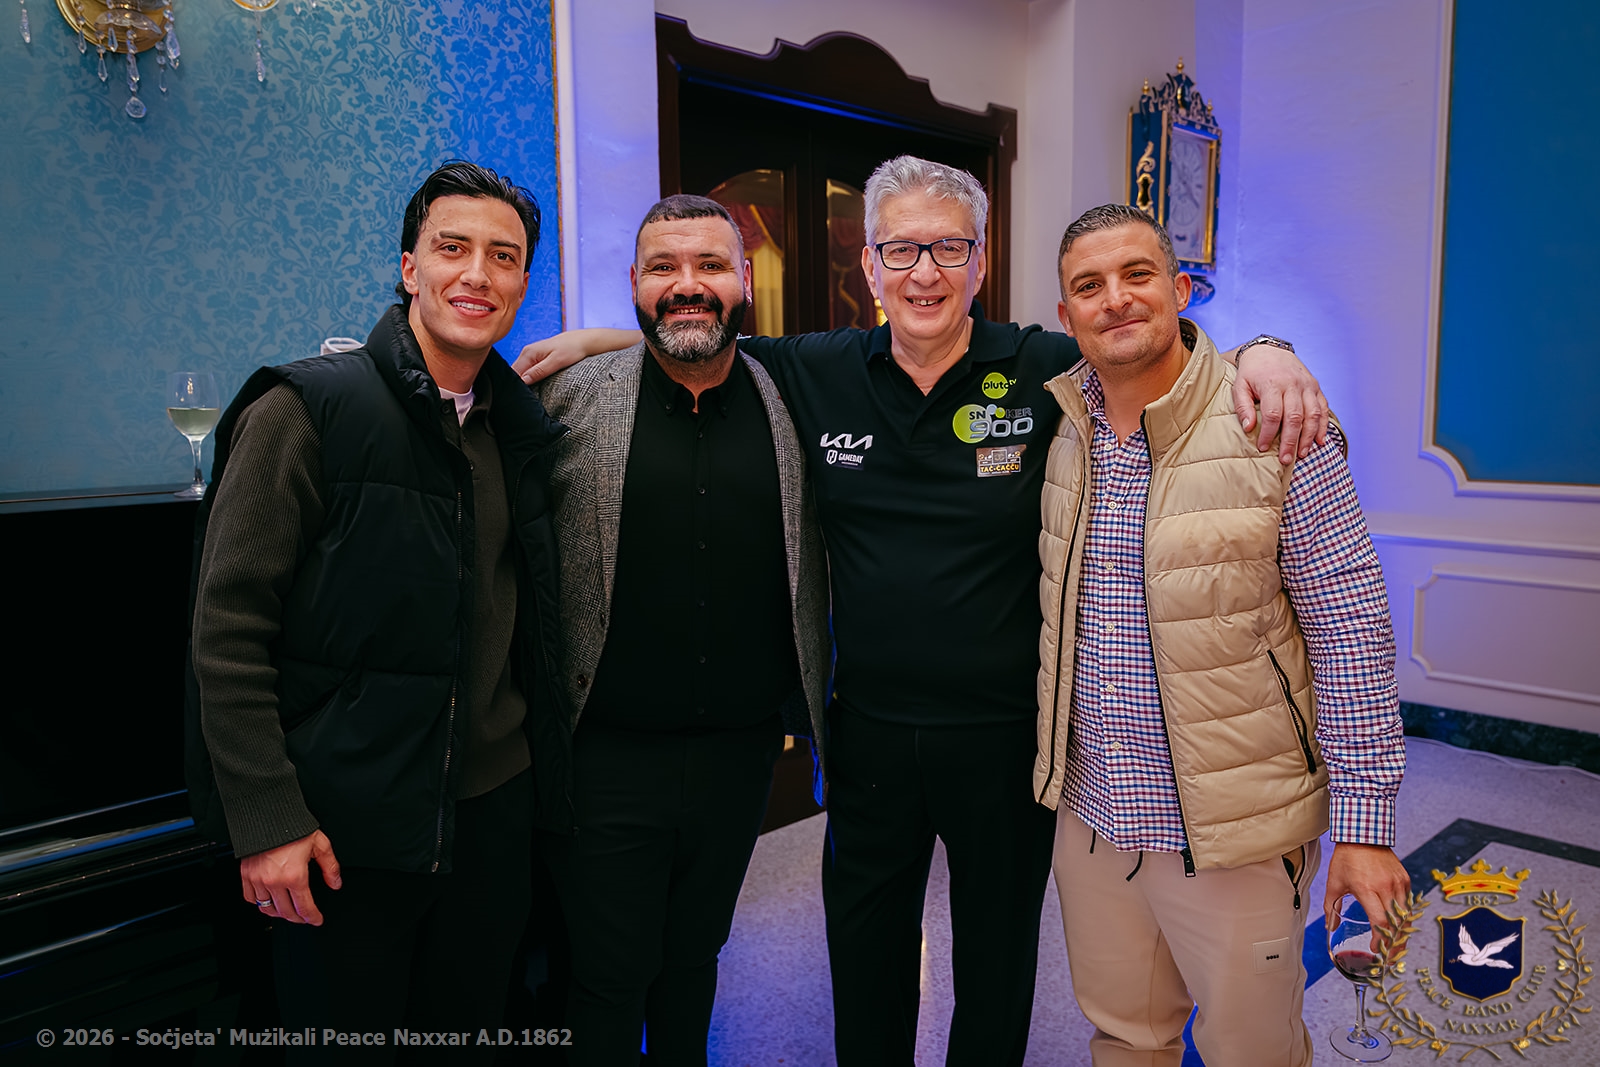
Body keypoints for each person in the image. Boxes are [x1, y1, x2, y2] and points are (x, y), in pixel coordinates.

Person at [516, 156, 1329, 1067]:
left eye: (948, 248)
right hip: (868, 735)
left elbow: (1150, 344)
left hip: (1006, 740)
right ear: (870, 266)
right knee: (865, 961)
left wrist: (1267, 350)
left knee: (995, 965)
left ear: (980, 262)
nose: (924, 272)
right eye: (901, 250)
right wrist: (601, 340)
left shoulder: (1046, 366)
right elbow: (703, 339)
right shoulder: (818, 369)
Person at [188, 161, 568, 1061]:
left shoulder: (518, 427)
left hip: (489, 824)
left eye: (504, 257)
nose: (477, 273)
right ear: (409, 268)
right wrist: (267, 818)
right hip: (342, 834)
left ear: (523, 283)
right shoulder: (305, 407)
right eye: (453, 247)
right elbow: (228, 630)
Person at [1037, 203, 1409, 1065]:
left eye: (1137, 274)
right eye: (1089, 286)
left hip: (1238, 831)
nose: (1115, 299)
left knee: (1253, 1050)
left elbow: (1352, 627)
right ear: (1065, 315)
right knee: (1124, 1036)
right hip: (1095, 817)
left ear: (1180, 288)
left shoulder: (1274, 423)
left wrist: (1364, 826)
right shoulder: (1063, 431)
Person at [532, 194, 830, 1065]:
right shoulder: (565, 400)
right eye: (664, 267)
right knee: (606, 973)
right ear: (634, 282)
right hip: (606, 754)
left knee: (695, 956)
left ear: (745, 282)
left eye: (710, 265)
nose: (687, 284)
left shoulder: (794, 399)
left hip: (741, 753)